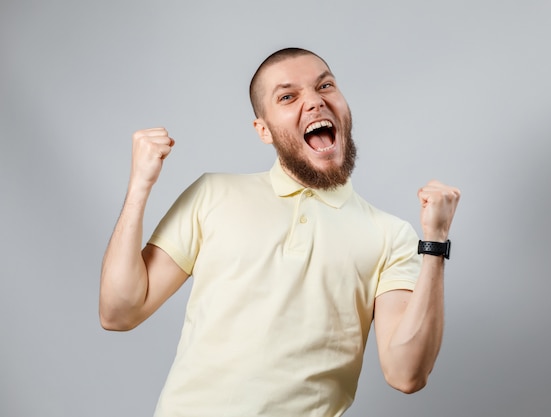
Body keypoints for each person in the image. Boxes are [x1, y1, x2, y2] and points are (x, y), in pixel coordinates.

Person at [99, 47, 461, 417]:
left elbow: (406, 374)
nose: (315, 103)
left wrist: (435, 242)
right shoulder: (212, 194)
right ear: (264, 129)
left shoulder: (390, 235)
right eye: (288, 96)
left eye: (326, 86)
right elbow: (119, 312)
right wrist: (139, 186)